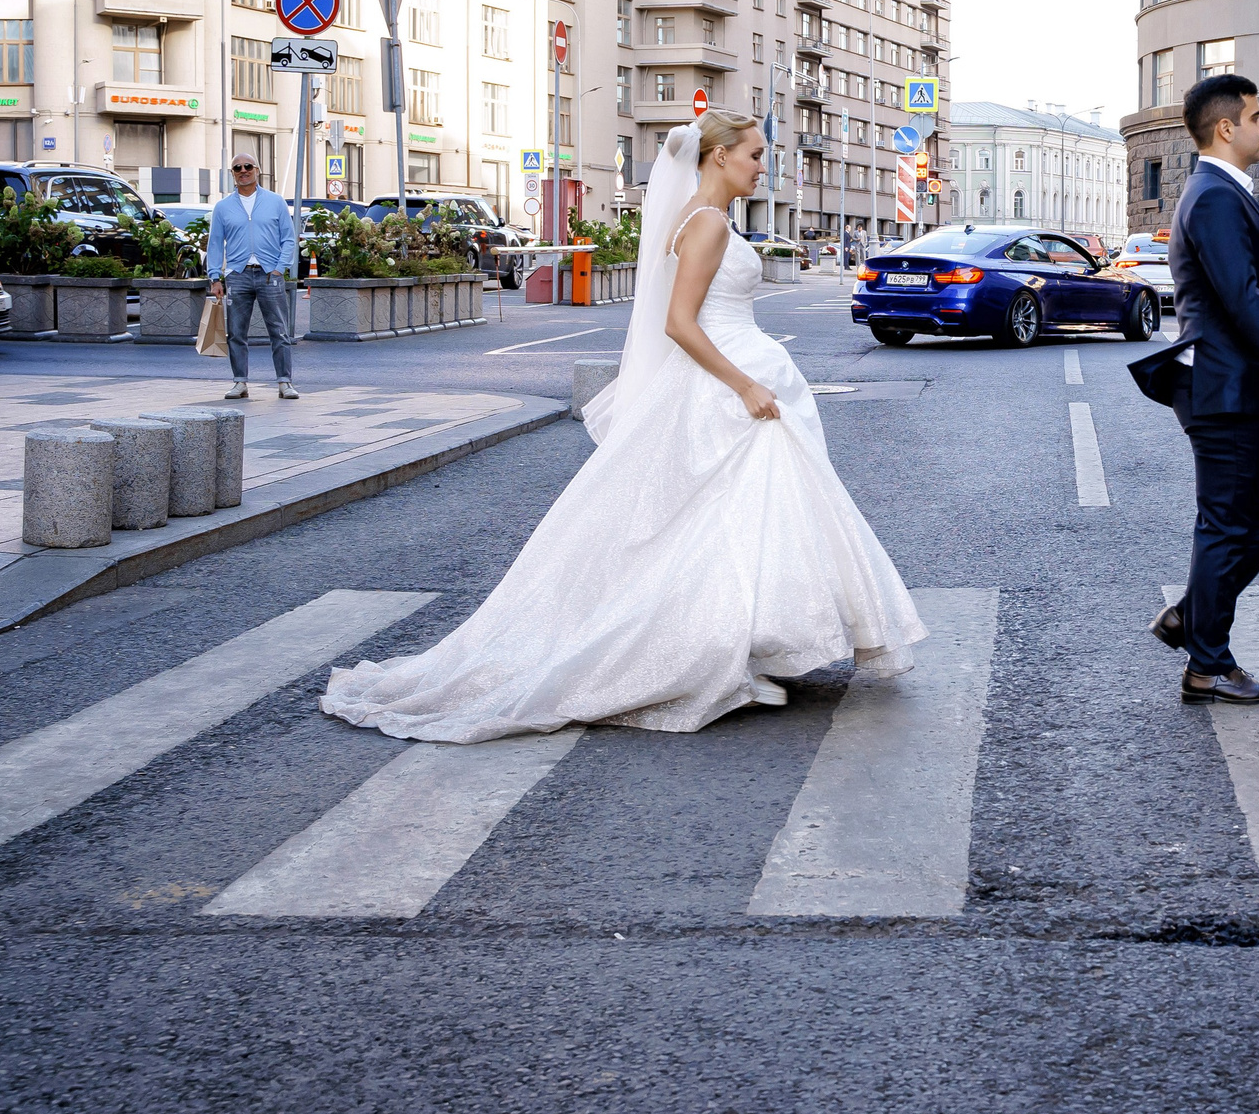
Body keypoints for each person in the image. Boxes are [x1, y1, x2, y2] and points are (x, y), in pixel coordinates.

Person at [321, 113, 926, 741]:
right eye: (753, 155)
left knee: (725, 518)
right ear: (719, 156)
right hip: (726, 385)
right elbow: (680, 323)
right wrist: (744, 384)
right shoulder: (709, 224)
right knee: (726, 518)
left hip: (725, 379)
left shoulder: (697, 216)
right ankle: (720, 648)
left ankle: (739, 643)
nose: (761, 167)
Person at [1128, 74, 1259, 706]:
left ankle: (1192, 618)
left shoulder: (1221, 192)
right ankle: (1207, 666)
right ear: (1226, 128)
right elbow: (1243, 300)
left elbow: (1245, 303)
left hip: (1238, 386)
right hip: (1219, 390)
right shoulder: (1214, 197)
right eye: (1256, 116)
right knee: (1225, 524)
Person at [206, 154, 299, 401]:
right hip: (237, 275)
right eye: (237, 168)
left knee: (279, 331)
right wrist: (215, 277)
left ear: (257, 170)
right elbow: (215, 243)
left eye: (248, 166)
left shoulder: (275, 201)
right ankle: (240, 382)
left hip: (270, 274)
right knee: (236, 332)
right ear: (232, 174)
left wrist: (279, 268)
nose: (243, 171)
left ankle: (285, 382)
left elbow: (288, 238)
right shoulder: (223, 207)